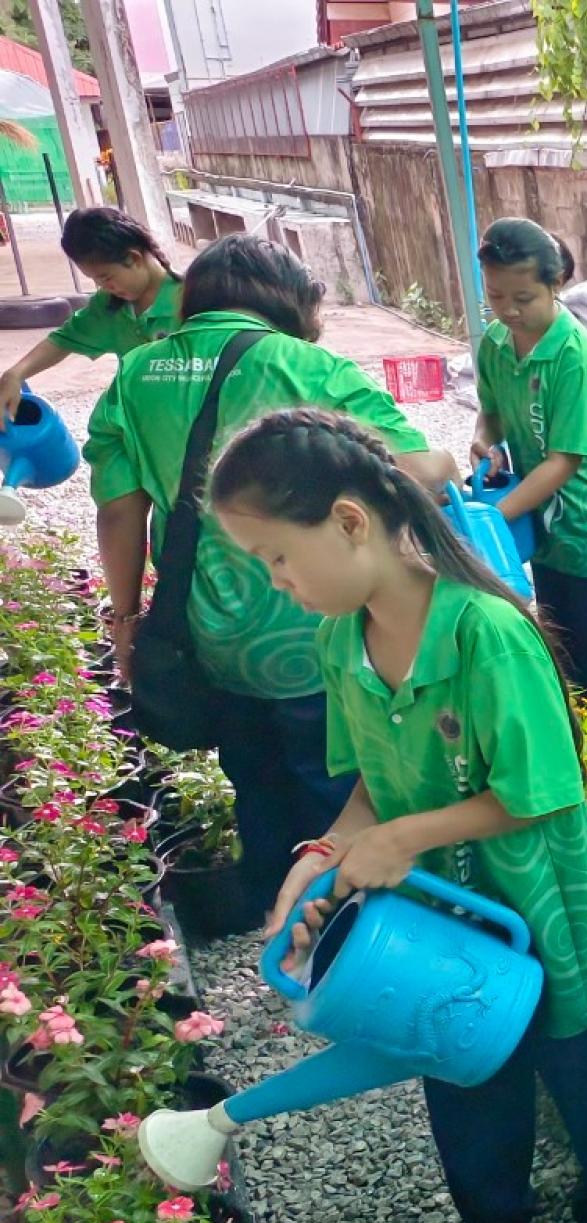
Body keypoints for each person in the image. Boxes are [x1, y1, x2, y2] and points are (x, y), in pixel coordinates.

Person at [206, 408, 587, 1223]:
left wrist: (404, 839)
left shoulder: (486, 633)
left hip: (553, 922)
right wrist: (325, 853)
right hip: (441, 937)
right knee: (460, 1081)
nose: (275, 582)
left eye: (276, 557)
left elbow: (538, 794)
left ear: (349, 522)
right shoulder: (343, 644)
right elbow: (370, 789)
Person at [84, 234, 457, 916]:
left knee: (251, 771)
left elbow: (119, 508)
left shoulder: (135, 374)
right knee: (335, 777)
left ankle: (270, 897)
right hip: (315, 626)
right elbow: (412, 471)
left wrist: (126, 618)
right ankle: (339, 917)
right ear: (285, 299)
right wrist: (448, 464)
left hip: (208, 632)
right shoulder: (309, 365)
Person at [474, 218, 587, 724]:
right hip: (547, 526)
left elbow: (563, 461)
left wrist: (490, 519)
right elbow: (490, 414)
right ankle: (585, 752)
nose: (508, 310)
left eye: (523, 298)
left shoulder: (576, 358)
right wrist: (484, 443)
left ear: (556, 284)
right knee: (563, 650)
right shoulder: (496, 343)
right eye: (496, 295)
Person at [0, 206, 182, 421]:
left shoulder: (193, 298)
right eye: (95, 280)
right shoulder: (110, 306)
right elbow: (64, 340)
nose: (104, 287)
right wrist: (15, 374)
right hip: (144, 423)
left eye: (106, 277)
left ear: (134, 258)